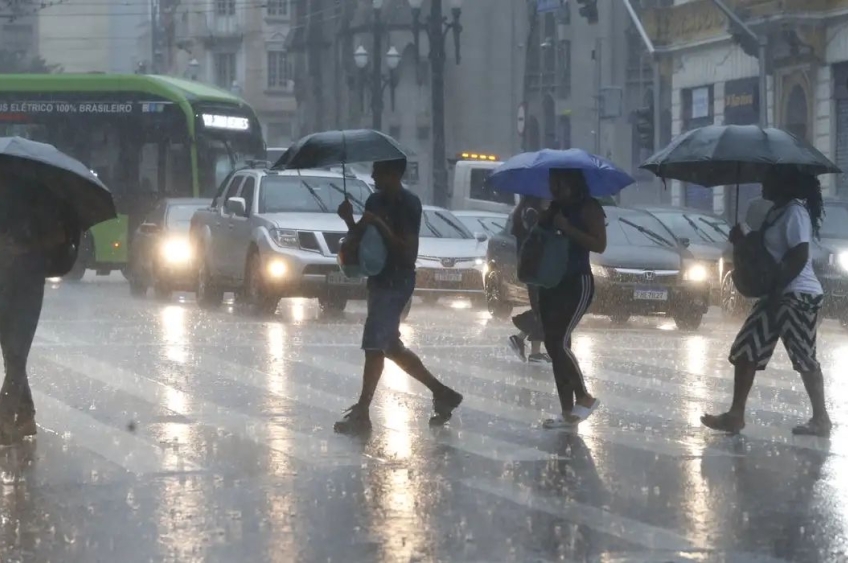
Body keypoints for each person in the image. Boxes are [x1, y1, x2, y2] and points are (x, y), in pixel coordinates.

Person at [335, 158, 463, 434]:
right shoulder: (373, 201)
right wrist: (349, 220)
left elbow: (407, 251)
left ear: (393, 174)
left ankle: (362, 411)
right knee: (389, 345)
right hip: (378, 279)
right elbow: (363, 237)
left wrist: (379, 224)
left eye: (378, 172)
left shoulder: (409, 204)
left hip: (398, 281)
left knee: (373, 344)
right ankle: (442, 393)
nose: (372, 176)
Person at [702, 168, 831, 437]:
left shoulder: (795, 212)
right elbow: (766, 253)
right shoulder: (777, 212)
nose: (763, 184)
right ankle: (736, 415)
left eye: (769, 179)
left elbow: (799, 255)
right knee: (747, 348)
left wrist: (776, 293)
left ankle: (821, 419)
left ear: (784, 183)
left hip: (797, 295)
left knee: (803, 355)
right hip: (776, 293)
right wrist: (742, 239)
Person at [0, 179, 70, 445]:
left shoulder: (39, 199)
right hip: (5, 282)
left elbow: (58, 236)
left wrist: (22, 248)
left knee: (17, 352)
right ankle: (26, 414)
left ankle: (5, 418)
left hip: (27, 284)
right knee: (11, 352)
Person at [537, 169, 606, 429]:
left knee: (558, 341)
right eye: (552, 182)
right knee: (555, 346)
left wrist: (567, 228)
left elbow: (599, 244)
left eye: (559, 182)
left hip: (577, 282)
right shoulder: (555, 207)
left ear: (572, 182)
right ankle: (567, 412)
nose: (554, 187)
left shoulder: (589, 208)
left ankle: (584, 396)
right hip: (550, 282)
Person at [507, 196, 551, 363]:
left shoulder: (523, 212)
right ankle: (521, 340)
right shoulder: (532, 214)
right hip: (536, 269)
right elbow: (538, 239)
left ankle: (533, 350)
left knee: (541, 309)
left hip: (532, 269)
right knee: (543, 309)